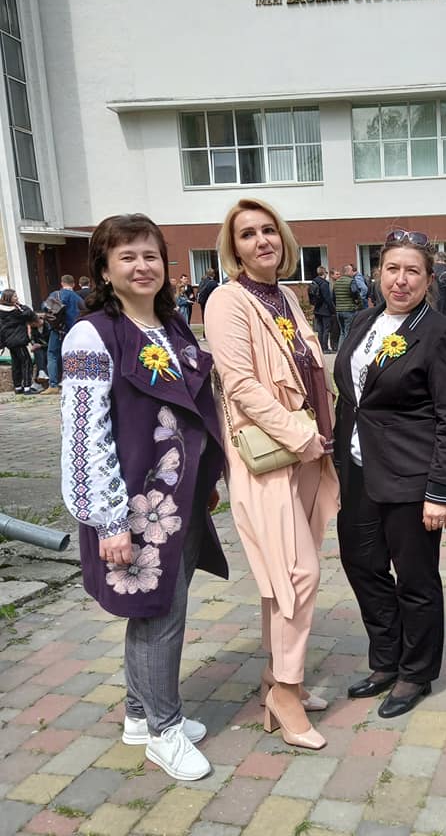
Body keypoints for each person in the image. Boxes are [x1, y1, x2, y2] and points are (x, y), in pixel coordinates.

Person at [60, 213, 228, 781]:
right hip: (133, 507)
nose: (142, 266)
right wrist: (107, 520)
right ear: (104, 270)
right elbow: (84, 435)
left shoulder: (172, 326)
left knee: (158, 608)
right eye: (127, 256)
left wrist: (206, 480)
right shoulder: (91, 336)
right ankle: (164, 730)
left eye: (150, 255)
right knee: (159, 615)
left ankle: (139, 713)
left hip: (180, 497)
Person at [205, 197, 339, 751]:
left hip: (308, 455)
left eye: (268, 230)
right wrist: (299, 435)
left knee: (281, 578)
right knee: (297, 574)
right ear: (233, 248)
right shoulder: (226, 300)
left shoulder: (285, 295)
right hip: (271, 456)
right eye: (247, 234)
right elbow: (239, 385)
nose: (261, 240)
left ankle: (273, 676)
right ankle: (285, 692)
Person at [334, 230, 446, 718]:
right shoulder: (364, 321)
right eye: (392, 268)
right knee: (361, 564)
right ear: (378, 273)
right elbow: (352, 396)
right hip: (357, 471)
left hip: (411, 478)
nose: (401, 279)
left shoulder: (439, 333)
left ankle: (416, 672)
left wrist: (441, 490)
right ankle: (386, 659)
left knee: (415, 578)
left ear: (429, 279)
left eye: (413, 271)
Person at [41, 275, 84, 395]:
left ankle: (53, 385)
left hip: (58, 330)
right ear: (73, 284)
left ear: (62, 283)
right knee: (73, 355)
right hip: (74, 331)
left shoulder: (56, 294)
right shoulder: (78, 298)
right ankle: (74, 382)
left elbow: (45, 306)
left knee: (52, 355)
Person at [0, 289, 39, 394]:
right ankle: (27, 387)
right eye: (15, 296)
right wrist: (20, 305)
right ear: (9, 298)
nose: (17, 298)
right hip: (18, 340)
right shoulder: (16, 311)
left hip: (9, 341)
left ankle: (17, 386)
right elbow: (29, 313)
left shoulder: (2, 312)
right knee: (27, 362)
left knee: (16, 363)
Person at [309, 265, 336, 353]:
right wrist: (333, 310)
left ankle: (320, 347)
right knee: (326, 329)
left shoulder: (314, 282)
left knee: (320, 330)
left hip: (317, 309)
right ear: (324, 273)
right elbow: (327, 298)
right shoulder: (324, 284)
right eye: (326, 273)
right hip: (325, 309)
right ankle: (325, 348)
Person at [334, 264, 358, 342]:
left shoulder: (336, 282)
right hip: (349, 310)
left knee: (342, 332)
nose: (353, 272)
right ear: (348, 271)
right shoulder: (351, 281)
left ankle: (340, 348)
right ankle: (347, 349)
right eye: (352, 270)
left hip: (339, 310)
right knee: (348, 332)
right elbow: (355, 293)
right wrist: (357, 302)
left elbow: (333, 296)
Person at [196, 268, 219, 334]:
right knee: (211, 318)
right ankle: (212, 333)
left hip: (202, 302)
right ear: (213, 274)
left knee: (204, 317)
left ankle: (205, 333)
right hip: (210, 303)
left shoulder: (202, 282)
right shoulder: (213, 283)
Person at [329, 269, 341, 351]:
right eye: (337, 274)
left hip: (337, 308)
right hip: (333, 309)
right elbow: (331, 298)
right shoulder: (330, 285)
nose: (339, 275)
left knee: (337, 328)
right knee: (334, 329)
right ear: (332, 275)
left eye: (339, 274)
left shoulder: (338, 284)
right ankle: (334, 345)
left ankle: (336, 344)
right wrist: (333, 308)